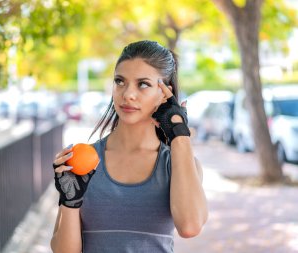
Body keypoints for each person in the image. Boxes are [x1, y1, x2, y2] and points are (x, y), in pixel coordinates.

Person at [51, 40, 208, 253]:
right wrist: (69, 202)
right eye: (120, 81)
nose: (127, 94)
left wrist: (179, 135)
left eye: (143, 84)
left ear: (164, 93)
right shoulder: (84, 160)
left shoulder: (179, 164)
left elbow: (190, 227)